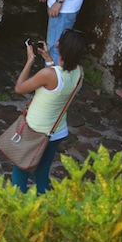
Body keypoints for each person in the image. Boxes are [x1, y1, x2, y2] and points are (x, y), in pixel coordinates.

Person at [11, 29, 86, 194]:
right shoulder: (80, 73)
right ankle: (45, 208)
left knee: (20, 173)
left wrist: (30, 60)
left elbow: (19, 88)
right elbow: (58, 83)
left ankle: (17, 212)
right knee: (42, 173)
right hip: (56, 131)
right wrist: (49, 61)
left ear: (58, 46)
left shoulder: (47, 74)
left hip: (36, 131)